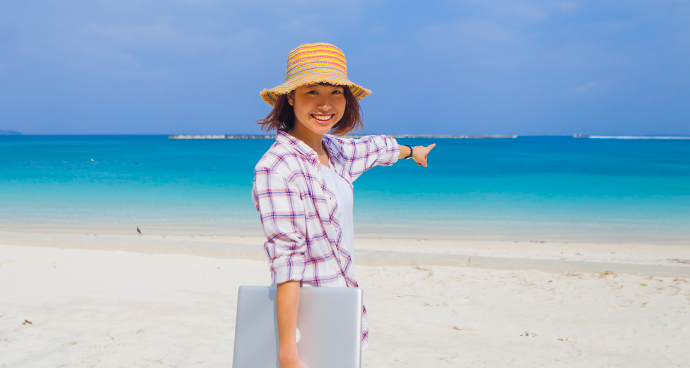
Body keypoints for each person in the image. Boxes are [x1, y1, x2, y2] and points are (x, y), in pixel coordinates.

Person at [252, 42, 435, 368]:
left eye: (335, 92)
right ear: (291, 96)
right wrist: (287, 354)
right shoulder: (277, 168)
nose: (325, 104)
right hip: (308, 323)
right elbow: (287, 265)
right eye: (312, 92)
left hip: (345, 309)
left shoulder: (337, 153)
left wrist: (413, 151)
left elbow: (378, 148)